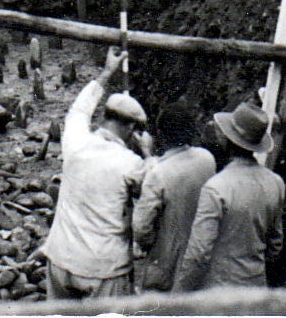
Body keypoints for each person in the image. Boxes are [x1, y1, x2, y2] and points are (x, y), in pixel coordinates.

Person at [44, 48, 147, 300]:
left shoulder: (76, 141)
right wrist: (147, 152)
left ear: (104, 117)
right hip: (103, 269)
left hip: (60, 258)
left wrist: (108, 71)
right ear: (132, 128)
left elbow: (79, 110)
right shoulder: (131, 163)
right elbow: (154, 187)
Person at [173, 102, 285, 293]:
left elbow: (199, 253)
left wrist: (178, 294)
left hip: (220, 291)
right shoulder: (275, 182)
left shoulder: (216, 187)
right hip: (256, 287)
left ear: (226, 139)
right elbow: (275, 245)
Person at [133, 102, 217, 292]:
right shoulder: (206, 159)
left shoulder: (158, 174)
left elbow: (140, 228)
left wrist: (150, 244)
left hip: (167, 257)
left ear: (161, 136)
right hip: (203, 252)